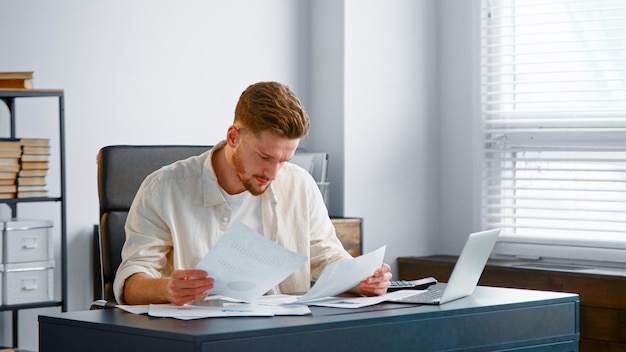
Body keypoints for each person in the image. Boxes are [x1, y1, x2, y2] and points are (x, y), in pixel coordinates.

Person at [113, 81, 392, 305]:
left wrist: (359, 279)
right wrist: (167, 289)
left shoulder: (300, 185)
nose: (273, 173)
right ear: (234, 136)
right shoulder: (164, 187)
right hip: (200, 337)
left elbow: (326, 256)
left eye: (284, 161)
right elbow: (131, 283)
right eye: (264, 157)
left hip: (282, 335)